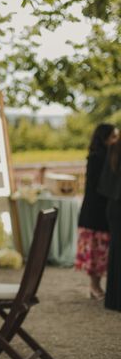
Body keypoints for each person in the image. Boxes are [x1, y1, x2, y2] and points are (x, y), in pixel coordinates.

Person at [75, 124, 119, 299]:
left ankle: (98, 286)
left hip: (104, 212)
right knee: (96, 252)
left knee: (104, 252)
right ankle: (94, 286)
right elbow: (97, 186)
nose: (116, 141)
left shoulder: (110, 157)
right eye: (113, 137)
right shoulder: (96, 158)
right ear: (105, 138)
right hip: (94, 213)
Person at [99, 138, 121, 312]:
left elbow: (106, 182)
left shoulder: (114, 147)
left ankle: (113, 299)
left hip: (113, 206)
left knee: (115, 252)